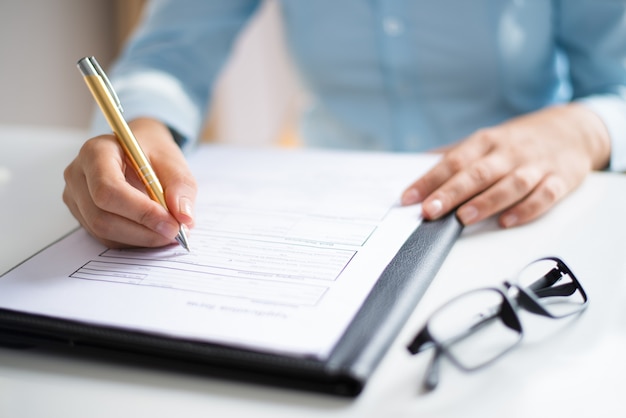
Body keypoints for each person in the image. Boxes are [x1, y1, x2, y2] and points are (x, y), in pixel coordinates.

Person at [63, 0, 626, 249]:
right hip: (332, 214)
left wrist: (582, 131)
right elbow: (167, 59)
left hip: (520, 217)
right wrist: (139, 128)